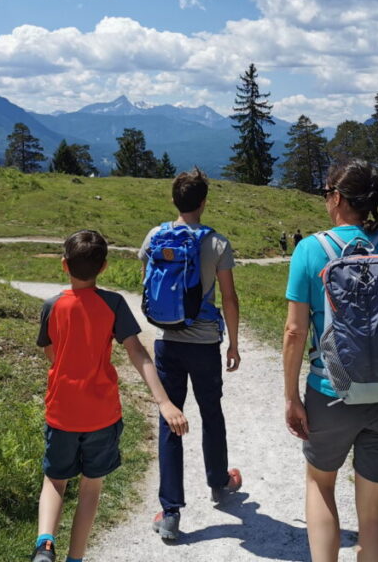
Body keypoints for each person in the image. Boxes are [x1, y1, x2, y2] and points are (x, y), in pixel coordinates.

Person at [282, 159, 378, 562]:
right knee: (373, 516)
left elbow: (295, 333)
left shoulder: (310, 250)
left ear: (336, 197)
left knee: (320, 485)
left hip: (330, 394)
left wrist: (291, 397)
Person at [31, 230, 189, 562]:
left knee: (55, 481)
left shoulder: (52, 305)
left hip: (62, 411)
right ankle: (75, 558)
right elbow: (138, 354)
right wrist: (163, 401)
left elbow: (50, 352)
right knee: (91, 489)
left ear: (64, 265)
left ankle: (45, 545)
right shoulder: (113, 303)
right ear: (103, 268)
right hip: (102, 414)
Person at [138, 167, 243, 542]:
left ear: (174, 200)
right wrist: (233, 342)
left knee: (171, 419)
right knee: (211, 411)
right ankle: (218, 483)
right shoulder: (216, 244)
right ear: (203, 202)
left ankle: (170, 512)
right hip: (203, 345)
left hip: (167, 341)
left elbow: (149, 280)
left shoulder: (155, 236)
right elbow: (228, 298)